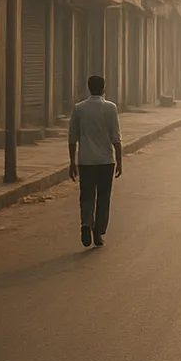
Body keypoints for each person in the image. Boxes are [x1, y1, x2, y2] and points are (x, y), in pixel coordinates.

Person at [68, 74, 124, 248]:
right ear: (103, 88)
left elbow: (72, 138)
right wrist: (120, 160)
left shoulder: (79, 109)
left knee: (86, 196)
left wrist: (72, 162)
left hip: (85, 161)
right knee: (103, 197)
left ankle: (86, 223)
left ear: (88, 87)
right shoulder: (110, 108)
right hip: (106, 161)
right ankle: (98, 231)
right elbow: (116, 137)